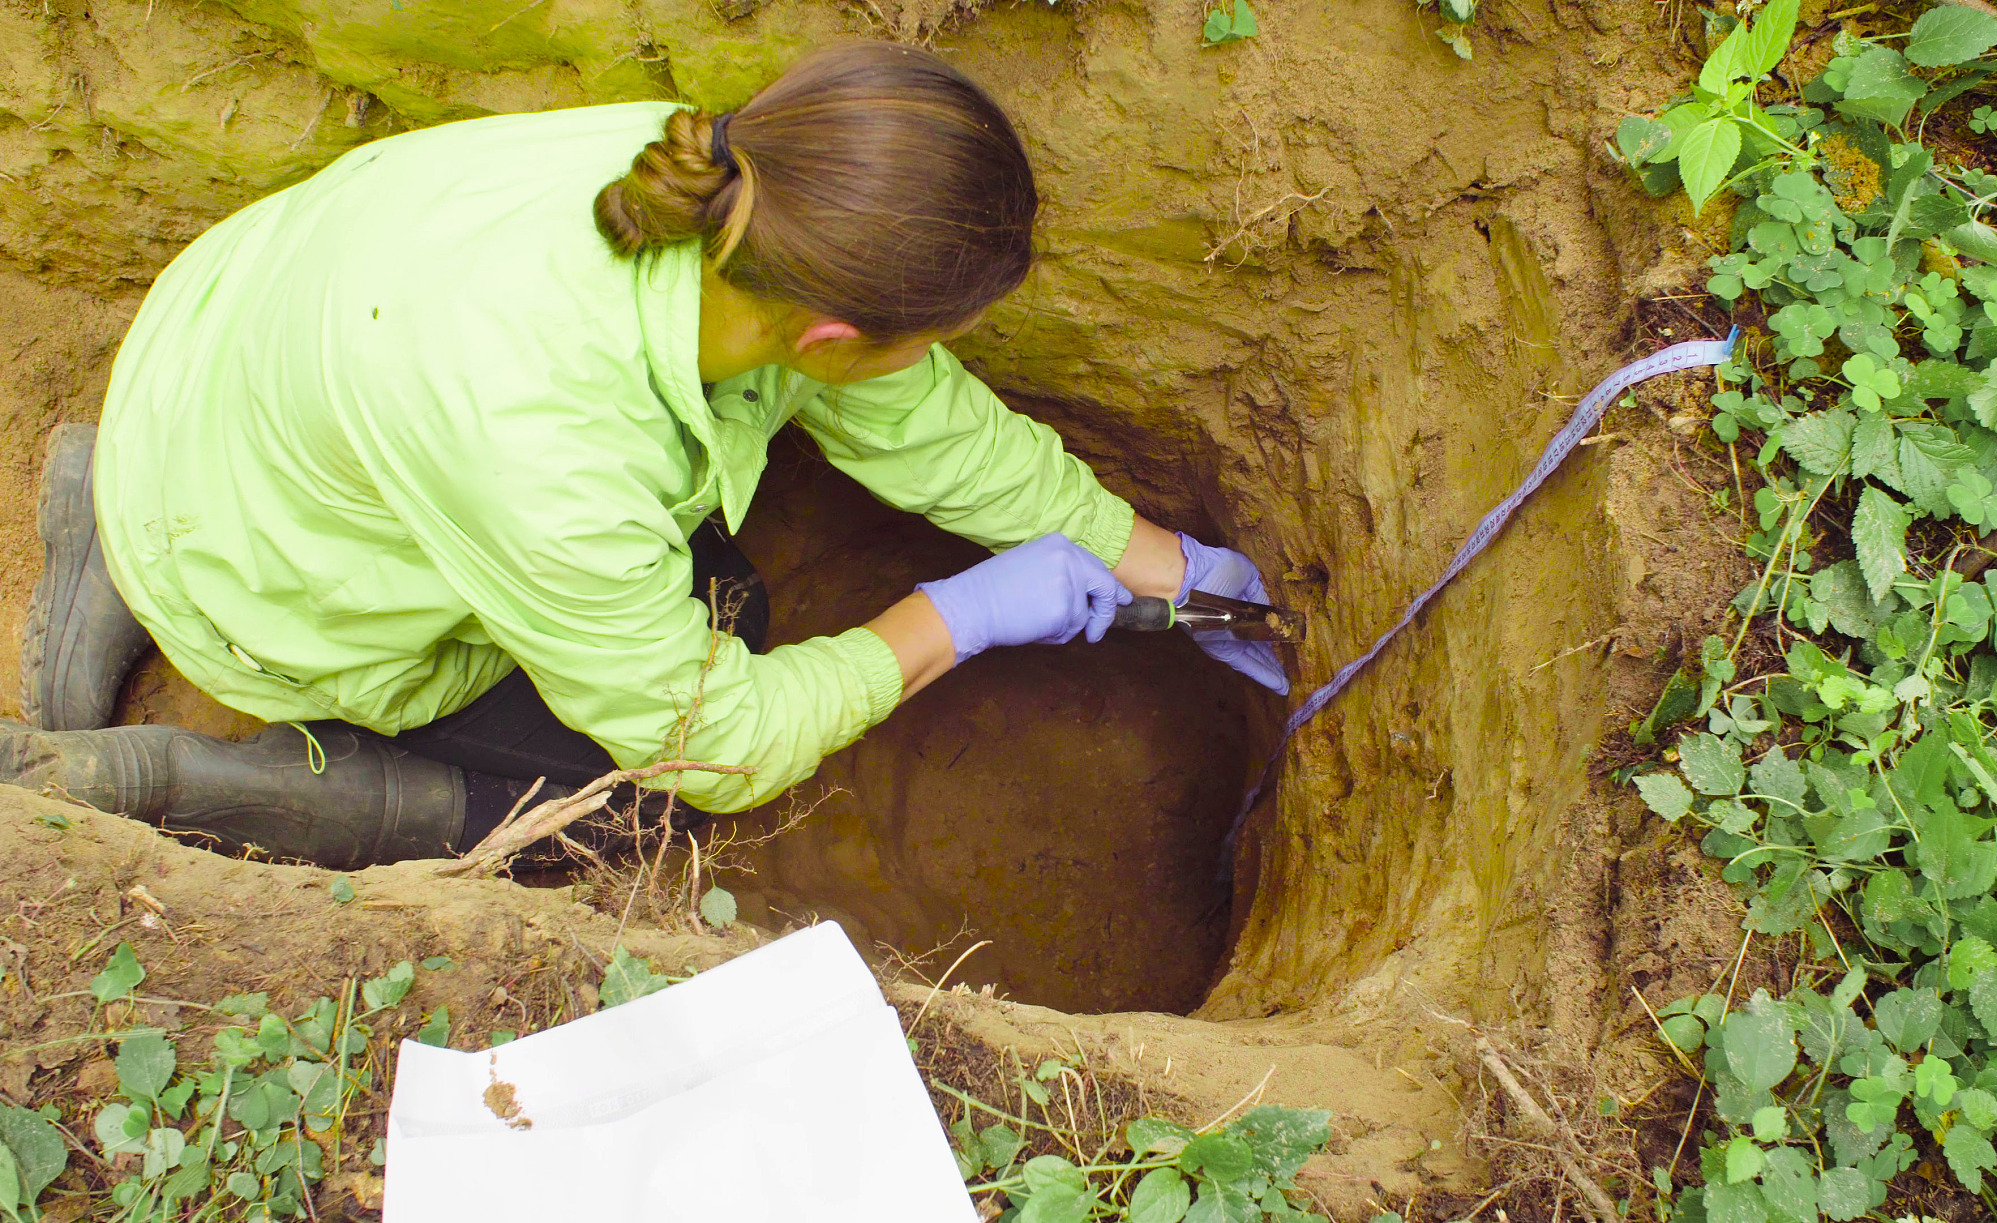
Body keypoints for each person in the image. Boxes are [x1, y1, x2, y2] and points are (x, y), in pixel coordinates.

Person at [1, 42, 1287, 870]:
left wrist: (1157, 560)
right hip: (271, 574)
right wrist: (949, 618)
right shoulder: (547, 455)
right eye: (921, 342)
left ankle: (98, 495)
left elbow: (917, 416)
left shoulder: (714, 175)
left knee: (727, 604)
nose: (928, 367)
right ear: (829, 336)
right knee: (627, 800)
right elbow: (710, 745)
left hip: (213, 359)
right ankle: (189, 780)